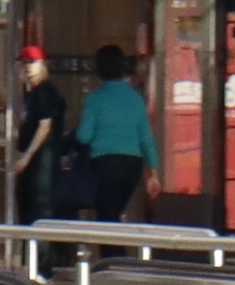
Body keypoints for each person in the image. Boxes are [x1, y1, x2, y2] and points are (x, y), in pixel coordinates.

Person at [73, 43, 158, 223]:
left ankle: (115, 252)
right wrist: (153, 174)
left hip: (104, 165)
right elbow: (146, 139)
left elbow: (83, 136)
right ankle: (115, 249)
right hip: (132, 167)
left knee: (107, 221)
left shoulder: (95, 98)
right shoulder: (136, 99)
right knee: (112, 215)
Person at [12, 45, 66, 226]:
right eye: (24, 63)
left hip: (42, 164)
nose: (28, 67)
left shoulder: (44, 92)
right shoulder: (32, 94)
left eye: (32, 62)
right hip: (33, 166)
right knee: (28, 212)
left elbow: (45, 125)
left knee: (39, 212)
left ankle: (40, 253)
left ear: (42, 65)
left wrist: (26, 157)